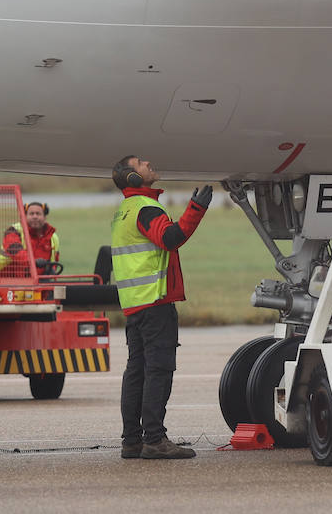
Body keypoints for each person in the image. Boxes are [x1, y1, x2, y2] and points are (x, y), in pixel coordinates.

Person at [109, 154, 211, 460]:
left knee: (137, 371)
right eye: (141, 163)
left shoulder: (123, 211)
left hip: (135, 304)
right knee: (158, 370)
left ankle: (132, 441)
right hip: (155, 302)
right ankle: (154, 439)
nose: (149, 163)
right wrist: (197, 209)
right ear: (132, 177)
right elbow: (170, 238)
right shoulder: (145, 208)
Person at [0, 200, 60, 277]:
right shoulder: (14, 230)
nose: (35, 216)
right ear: (24, 217)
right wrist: (33, 262)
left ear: (45, 217)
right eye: (31, 214)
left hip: (36, 281)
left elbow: (54, 260)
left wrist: (51, 270)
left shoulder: (53, 237)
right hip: (4, 278)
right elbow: (15, 251)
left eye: (38, 214)